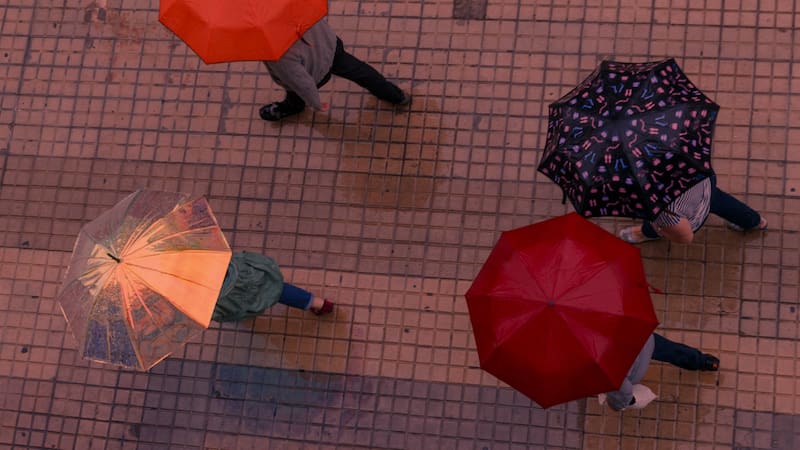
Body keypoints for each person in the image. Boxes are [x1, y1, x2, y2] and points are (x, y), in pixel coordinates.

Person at [259, 18, 411, 122]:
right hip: (330, 46)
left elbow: (302, 83)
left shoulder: (277, 54)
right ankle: (396, 95)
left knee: (295, 94)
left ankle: (293, 107)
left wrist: (316, 103)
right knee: (360, 71)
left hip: (315, 72)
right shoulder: (292, 6)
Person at [618, 175, 768, 244]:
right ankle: (754, 221)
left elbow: (685, 237)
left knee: (655, 226)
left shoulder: (663, 210)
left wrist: (660, 230)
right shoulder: (680, 152)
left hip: (693, 214)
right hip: (706, 185)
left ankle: (646, 233)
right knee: (724, 203)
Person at [604, 333, 719, 411]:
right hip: (643, 337)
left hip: (633, 363)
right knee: (671, 350)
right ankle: (703, 361)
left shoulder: (602, 364)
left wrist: (619, 403)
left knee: (669, 350)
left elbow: (621, 389)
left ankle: (701, 361)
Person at [212, 252, 334, 323]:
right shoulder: (206, 257)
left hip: (236, 301)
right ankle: (321, 304)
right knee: (281, 290)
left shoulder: (204, 301)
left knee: (250, 308)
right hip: (248, 275)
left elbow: (219, 315)